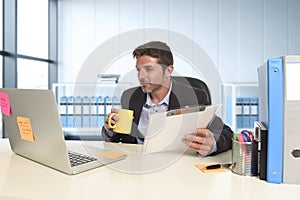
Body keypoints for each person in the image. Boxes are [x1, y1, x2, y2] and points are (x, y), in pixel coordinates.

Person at [102, 41, 232, 156]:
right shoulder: (130, 96)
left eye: (149, 69)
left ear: (168, 71)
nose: (141, 76)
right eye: (138, 70)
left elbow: (225, 132)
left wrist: (213, 144)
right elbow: (117, 139)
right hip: (136, 164)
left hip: (178, 167)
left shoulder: (193, 97)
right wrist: (110, 129)